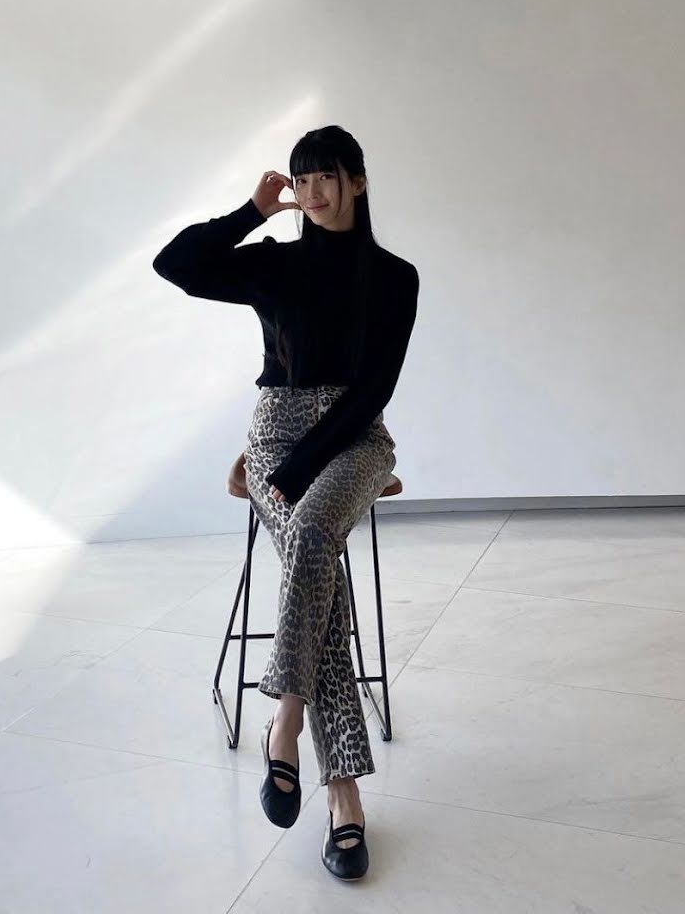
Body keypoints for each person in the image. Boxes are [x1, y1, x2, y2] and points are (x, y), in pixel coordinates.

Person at [152, 125, 419, 880]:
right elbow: (174, 264)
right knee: (315, 546)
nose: (313, 191)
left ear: (358, 181)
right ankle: (344, 800)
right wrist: (250, 212)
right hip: (275, 435)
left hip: (356, 438)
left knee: (309, 533)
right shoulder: (275, 264)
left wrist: (304, 466)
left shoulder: (395, 278)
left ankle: (286, 719)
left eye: (327, 176)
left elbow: (374, 388)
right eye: (302, 180)